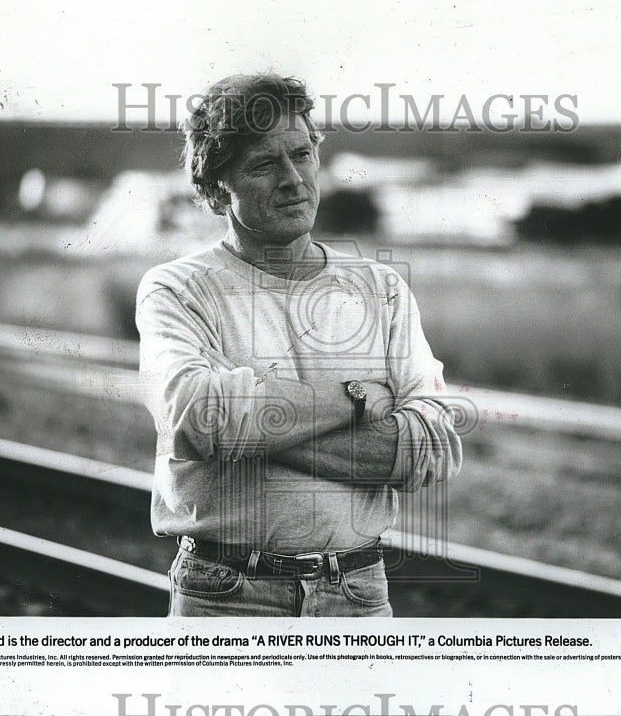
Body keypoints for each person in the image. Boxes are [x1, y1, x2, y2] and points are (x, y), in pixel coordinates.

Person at [135, 73, 461, 617]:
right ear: (217, 189)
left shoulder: (380, 289)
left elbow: (430, 448)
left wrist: (250, 429)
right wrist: (356, 399)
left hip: (357, 596)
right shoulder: (178, 288)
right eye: (264, 165)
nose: (294, 180)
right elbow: (197, 415)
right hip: (226, 596)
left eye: (303, 154)